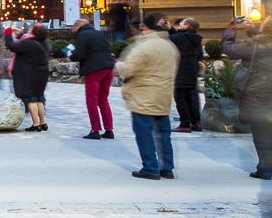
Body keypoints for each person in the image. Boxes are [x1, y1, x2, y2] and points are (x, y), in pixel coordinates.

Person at [116, 13, 179, 180]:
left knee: (144, 133)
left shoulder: (144, 47)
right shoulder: (170, 46)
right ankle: (167, 167)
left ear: (147, 27)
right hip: (163, 95)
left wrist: (118, 63)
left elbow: (128, 69)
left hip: (143, 95)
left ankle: (150, 167)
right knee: (163, 134)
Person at [222, 15, 272, 179]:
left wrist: (230, 31)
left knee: (262, 132)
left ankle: (265, 169)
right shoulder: (259, 43)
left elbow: (229, 50)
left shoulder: (255, 44)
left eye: (263, 23)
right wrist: (252, 30)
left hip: (260, 94)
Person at [68, 17, 116, 139]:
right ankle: (109, 130)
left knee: (92, 99)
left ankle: (95, 130)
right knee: (103, 99)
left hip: (94, 69)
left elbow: (81, 53)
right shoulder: (98, 33)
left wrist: (71, 56)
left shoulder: (81, 35)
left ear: (77, 27)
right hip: (109, 67)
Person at [6, 23, 51, 131]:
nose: (29, 29)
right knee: (39, 98)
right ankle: (43, 123)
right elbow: (26, 45)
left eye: (31, 28)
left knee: (30, 99)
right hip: (41, 74)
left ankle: (36, 124)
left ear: (34, 32)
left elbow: (12, 46)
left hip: (29, 74)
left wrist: (8, 34)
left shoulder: (28, 43)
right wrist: (20, 34)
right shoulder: (43, 42)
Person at [170, 18, 204, 132]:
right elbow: (180, 38)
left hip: (181, 71)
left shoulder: (182, 38)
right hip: (191, 70)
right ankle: (196, 122)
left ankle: (184, 124)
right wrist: (170, 28)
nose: (179, 24)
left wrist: (161, 28)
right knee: (190, 98)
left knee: (180, 99)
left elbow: (167, 39)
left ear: (186, 27)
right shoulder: (194, 37)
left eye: (182, 23)